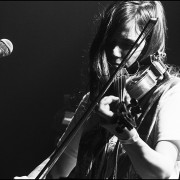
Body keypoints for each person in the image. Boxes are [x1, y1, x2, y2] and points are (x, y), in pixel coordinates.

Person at [14, 1, 180, 179]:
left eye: (126, 44)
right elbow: (59, 165)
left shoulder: (170, 92)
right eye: (110, 42)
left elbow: (163, 173)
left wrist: (129, 137)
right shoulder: (95, 99)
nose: (114, 52)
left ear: (150, 44)